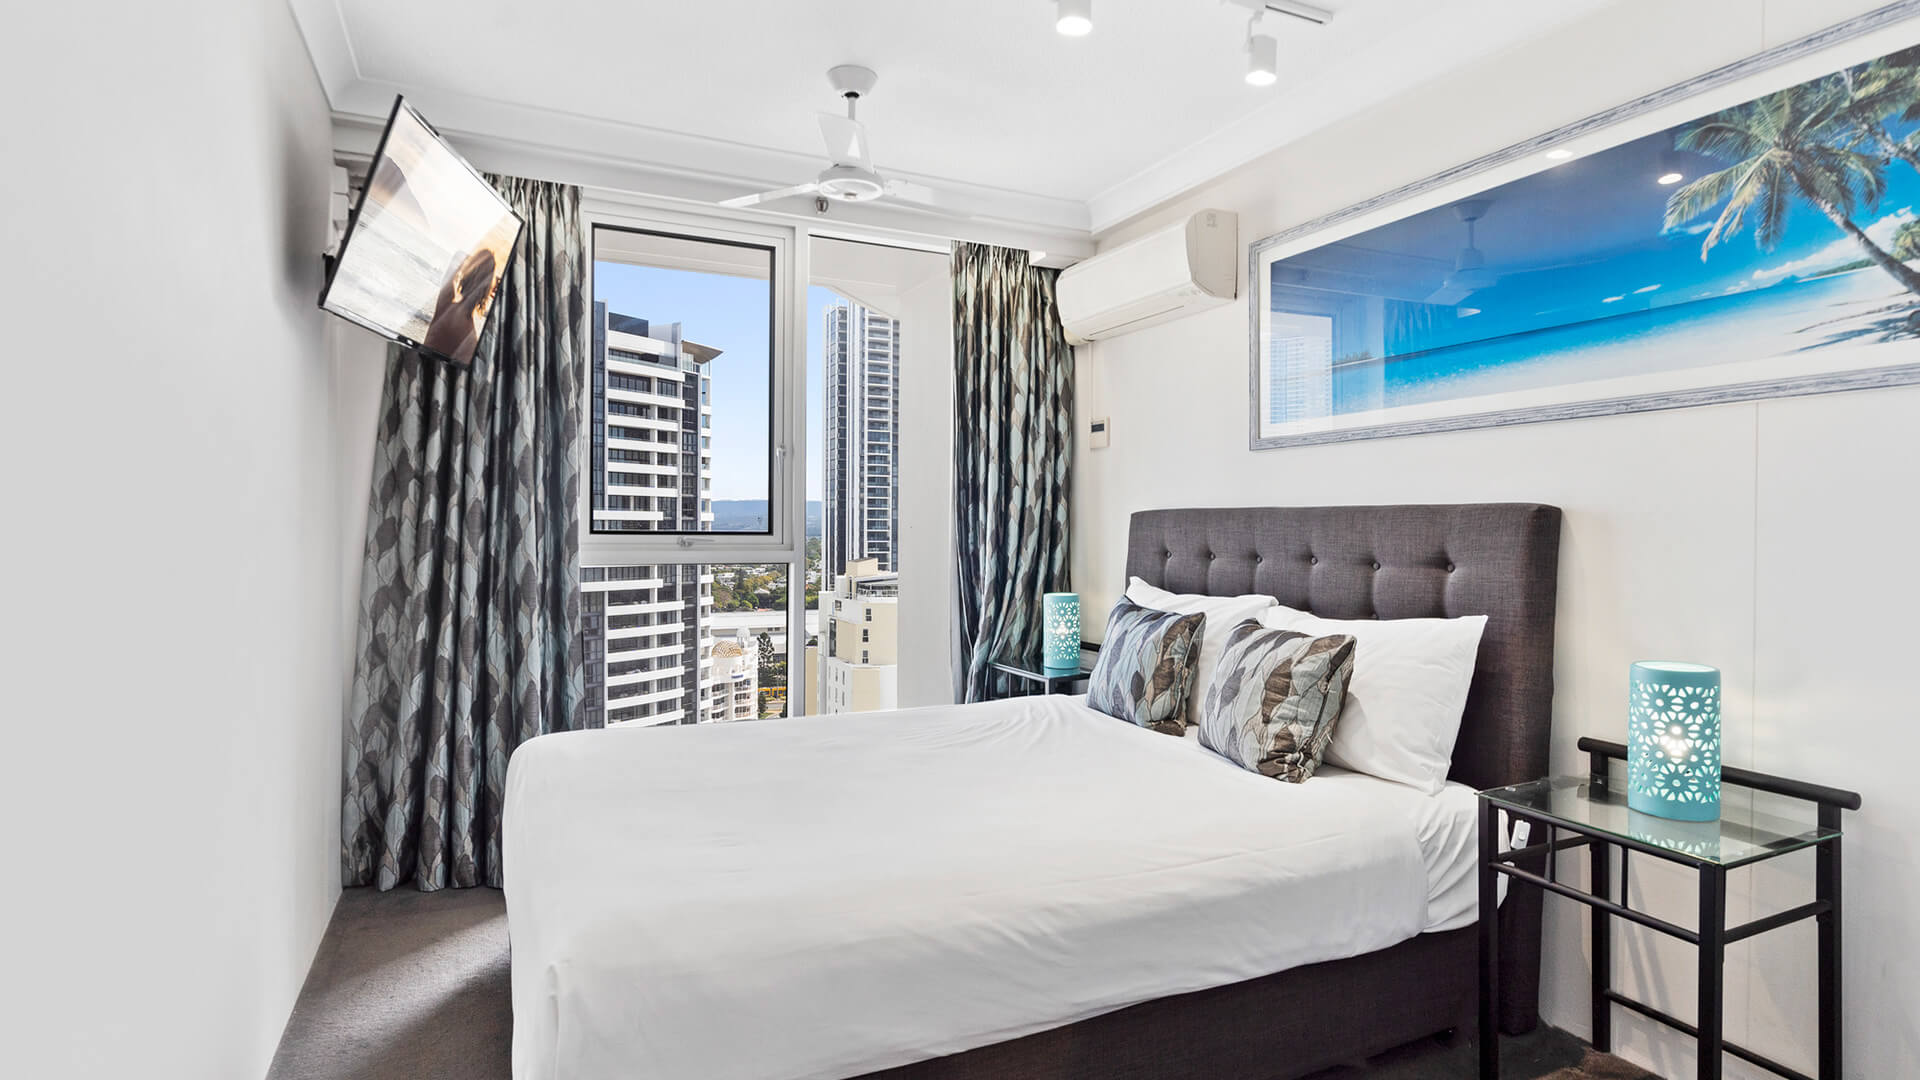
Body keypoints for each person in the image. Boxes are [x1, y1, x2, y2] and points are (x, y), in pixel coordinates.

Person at [421, 246, 500, 364]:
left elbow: (454, 264)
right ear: (487, 291)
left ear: (466, 275)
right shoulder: (470, 340)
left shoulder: (445, 305)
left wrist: (466, 259)